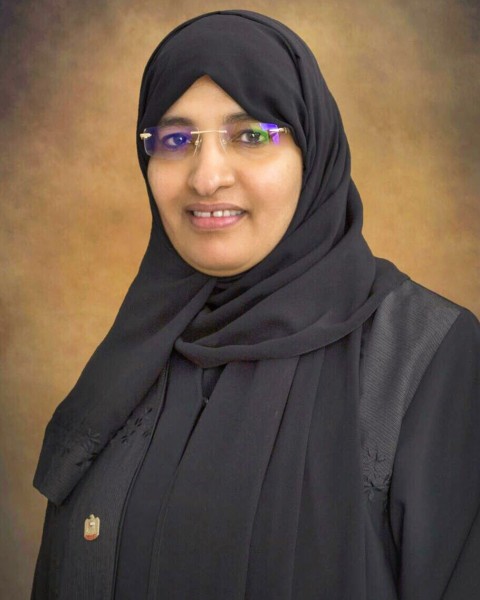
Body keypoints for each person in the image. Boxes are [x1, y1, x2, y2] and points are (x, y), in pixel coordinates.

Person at [31, 10, 479, 600]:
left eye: (251, 135)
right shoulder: (133, 356)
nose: (206, 177)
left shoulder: (425, 359)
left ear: (312, 151)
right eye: (175, 139)